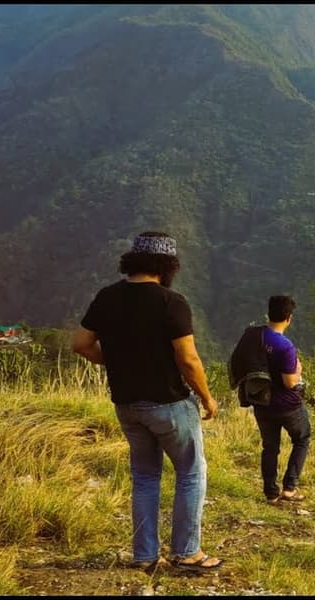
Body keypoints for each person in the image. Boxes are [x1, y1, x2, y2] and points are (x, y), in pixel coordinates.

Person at [71, 231, 222, 573]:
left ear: (133, 260)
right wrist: (207, 398)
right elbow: (188, 360)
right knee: (191, 473)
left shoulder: (107, 297)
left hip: (126, 405)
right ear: (169, 266)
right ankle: (186, 553)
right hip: (168, 404)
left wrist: (118, 360)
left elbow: (80, 344)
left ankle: (145, 555)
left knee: (144, 476)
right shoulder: (171, 303)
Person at [253, 294, 311, 504]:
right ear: (289, 318)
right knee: (302, 438)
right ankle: (289, 488)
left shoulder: (256, 337)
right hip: (287, 405)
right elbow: (290, 382)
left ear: (268, 313)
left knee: (270, 446)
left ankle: (270, 492)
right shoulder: (285, 346)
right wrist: (298, 370)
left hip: (261, 401)